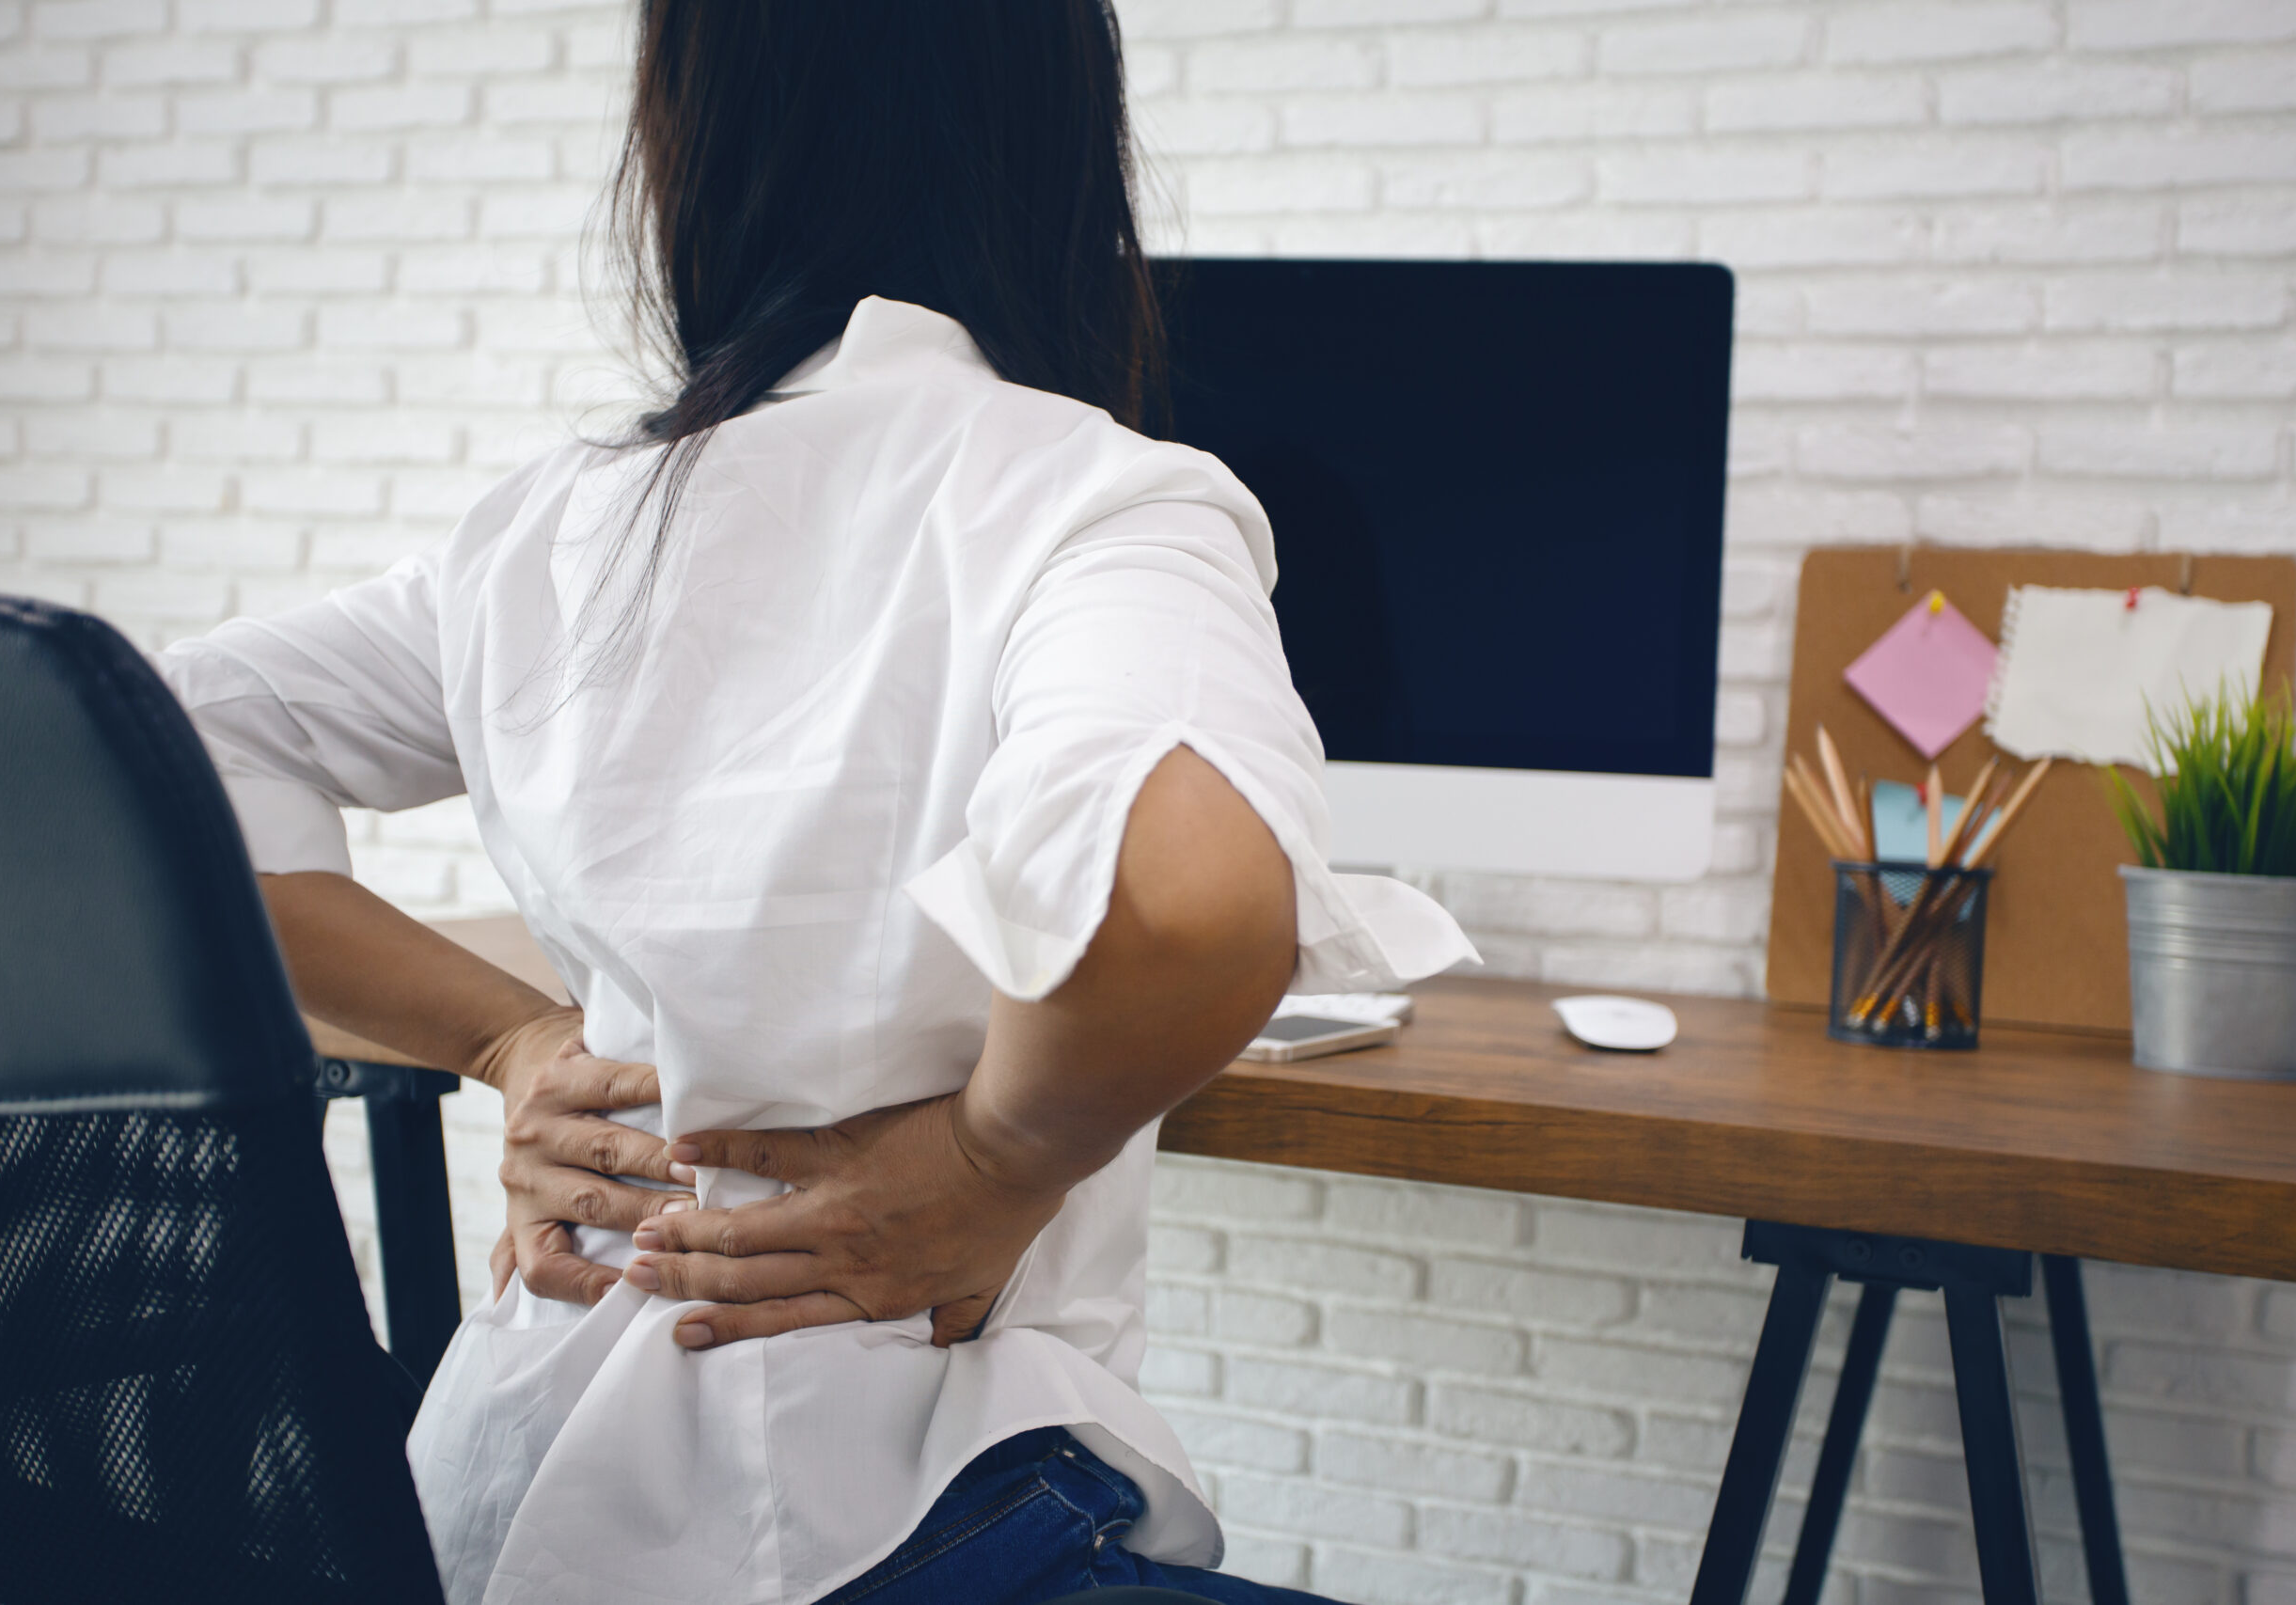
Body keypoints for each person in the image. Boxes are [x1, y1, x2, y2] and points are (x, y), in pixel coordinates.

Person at [157, 4, 1473, 1602]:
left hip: (495, 1504)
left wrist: (504, 1040)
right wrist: (997, 1158)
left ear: (692, 146)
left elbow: (167, 748)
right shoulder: (1093, 502)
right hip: (914, 1506)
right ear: (1061, 148)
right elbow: (1190, 902)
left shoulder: (555, 525)